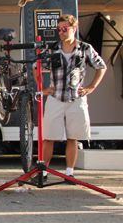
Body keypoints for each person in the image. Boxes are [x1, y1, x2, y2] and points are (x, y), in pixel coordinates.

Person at [37, 14, 106, 183]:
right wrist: (42, 88)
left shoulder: (85, 48)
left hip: (76, 97)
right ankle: (44, 172)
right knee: (49, 137)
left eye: (64, 29)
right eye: (59, 29)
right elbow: (36, 66)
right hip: (56, 97)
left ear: (74, 29)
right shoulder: (52, 48)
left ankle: (69, 172)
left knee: (73, 136)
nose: (61, 32)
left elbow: (101, 66)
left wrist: (91, 87)